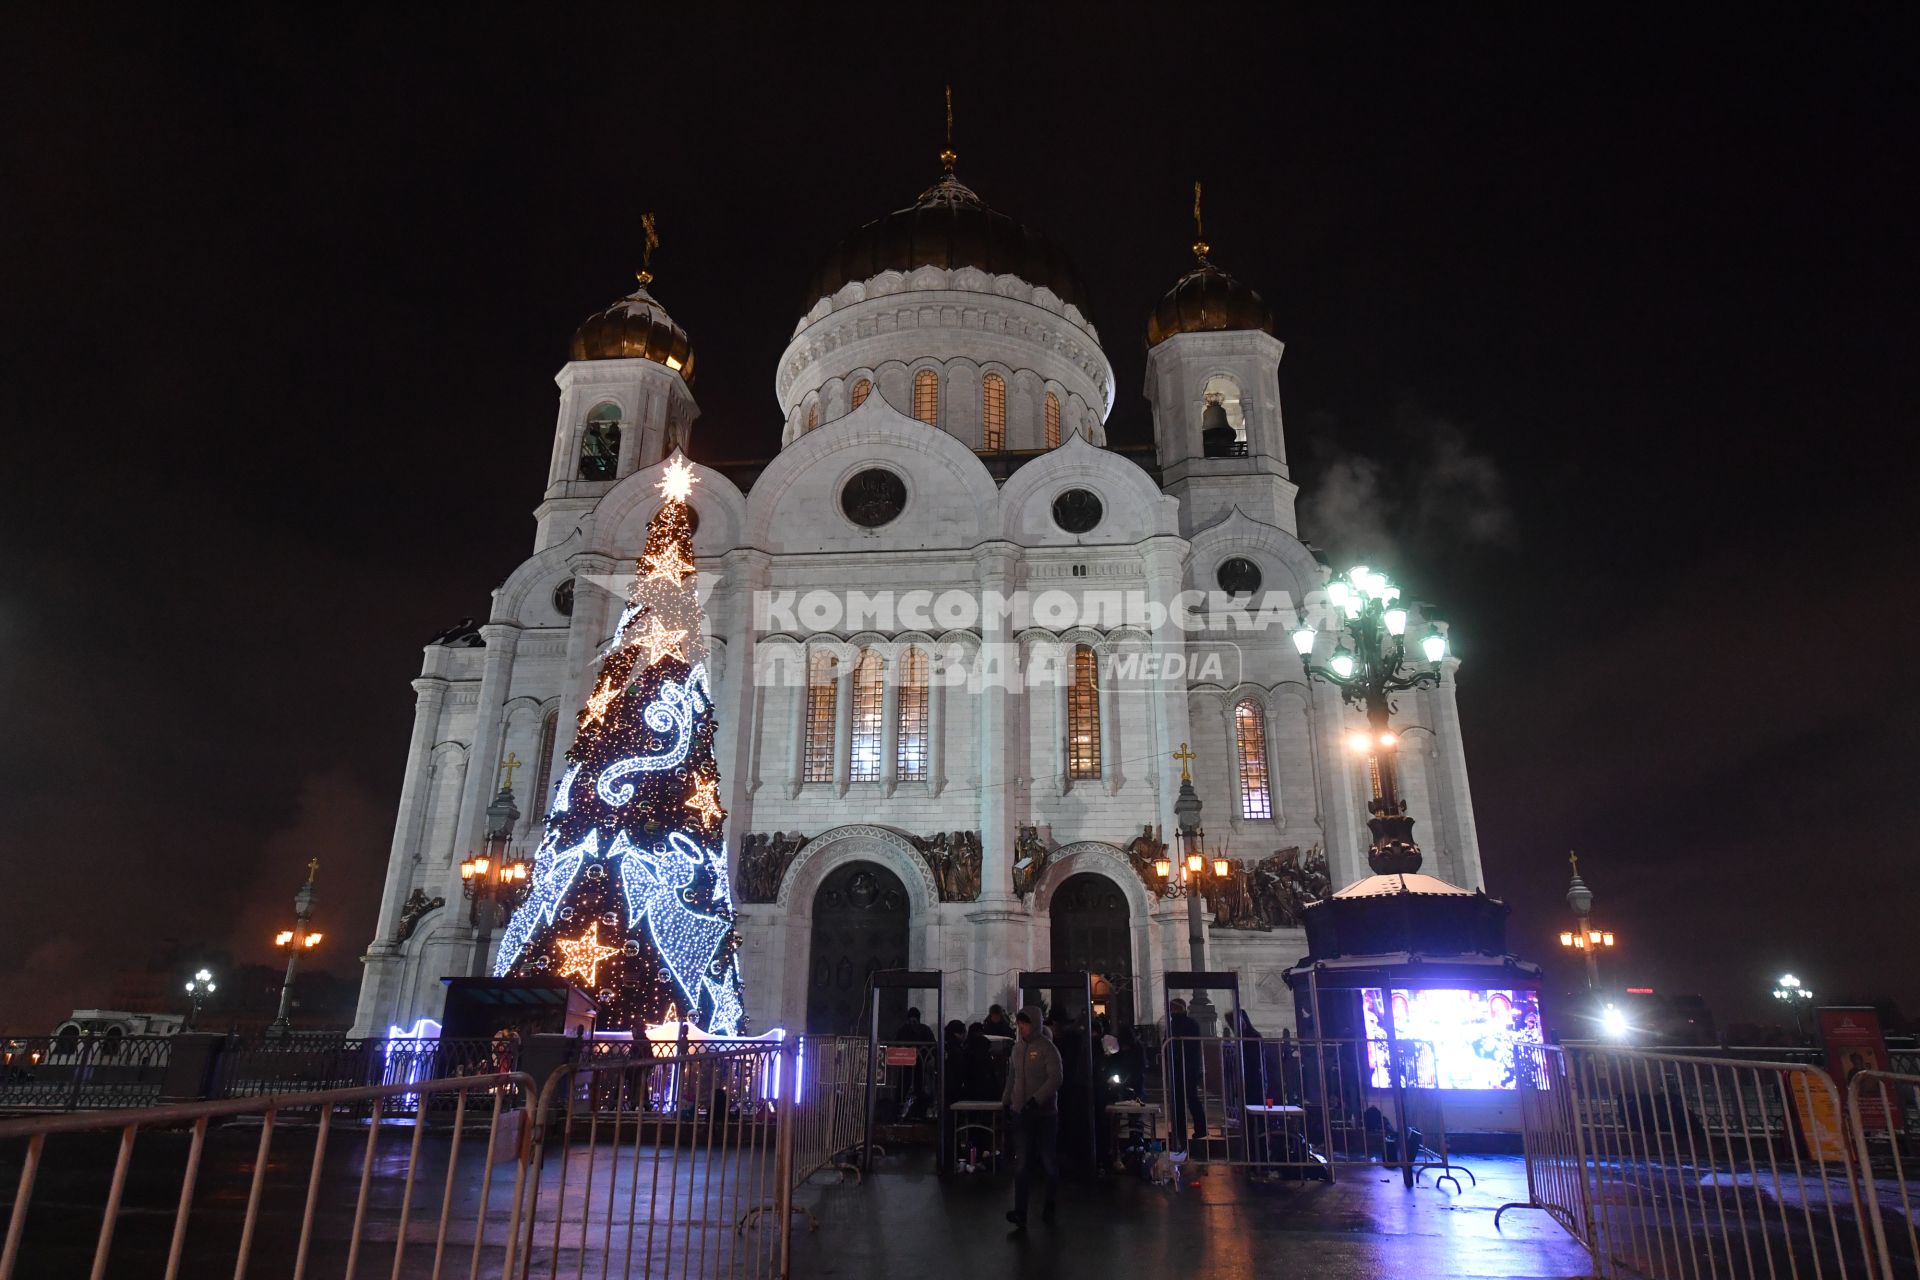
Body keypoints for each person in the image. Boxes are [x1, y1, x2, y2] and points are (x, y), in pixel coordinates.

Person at [1002, 1005, 1062, 1228]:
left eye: (1025, 1024)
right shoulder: (1017, 1049)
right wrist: (1006, 1101)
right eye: (1019, 1024)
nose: (1021, 1028)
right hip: (1021, 1113)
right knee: (1022, 1163)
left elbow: (1056, 1078)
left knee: (1048, 1162)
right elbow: (1013, 1076)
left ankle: (1050, 1201)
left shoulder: (1048, 1049)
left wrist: (1036, 1100)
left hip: (1044, 1114)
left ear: (1035, 1024)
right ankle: (1020, 1211)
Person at [1167, 997, 1206, 1151]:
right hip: (1187, 1067)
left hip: (1184, 1067)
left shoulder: (1180, 1024)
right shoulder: (1189, 1023)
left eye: (1173, 1009)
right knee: (1188, 1098)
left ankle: (1184, 1131)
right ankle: (1193, 1129)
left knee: (1187, 1098)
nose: (1172, 1012)